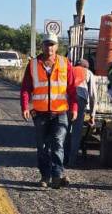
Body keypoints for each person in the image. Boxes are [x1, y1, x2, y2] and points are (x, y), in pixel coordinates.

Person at [20, 33, 78, 188]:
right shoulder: (33, 64)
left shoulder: (65, 63)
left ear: (57, 47)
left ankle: (57, 175)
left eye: (52, 44)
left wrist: (74, 107)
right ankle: (45, 176)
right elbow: (26, 88)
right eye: (47, 44)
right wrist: (25, 106)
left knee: (58, 143)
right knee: (43, 147)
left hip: (60, 112)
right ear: (42, 46)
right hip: (40, 114)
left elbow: (72, 89)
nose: (49, 47)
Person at [66, 59, 96, 167]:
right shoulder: (88, 73)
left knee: (65, 129)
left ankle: (63, 158)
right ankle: (72, 161)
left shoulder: (69, 70)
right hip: (80, 100)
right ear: (86, 67)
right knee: (76, 132)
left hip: (66, 100)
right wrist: (92, 114)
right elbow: (92, 95)